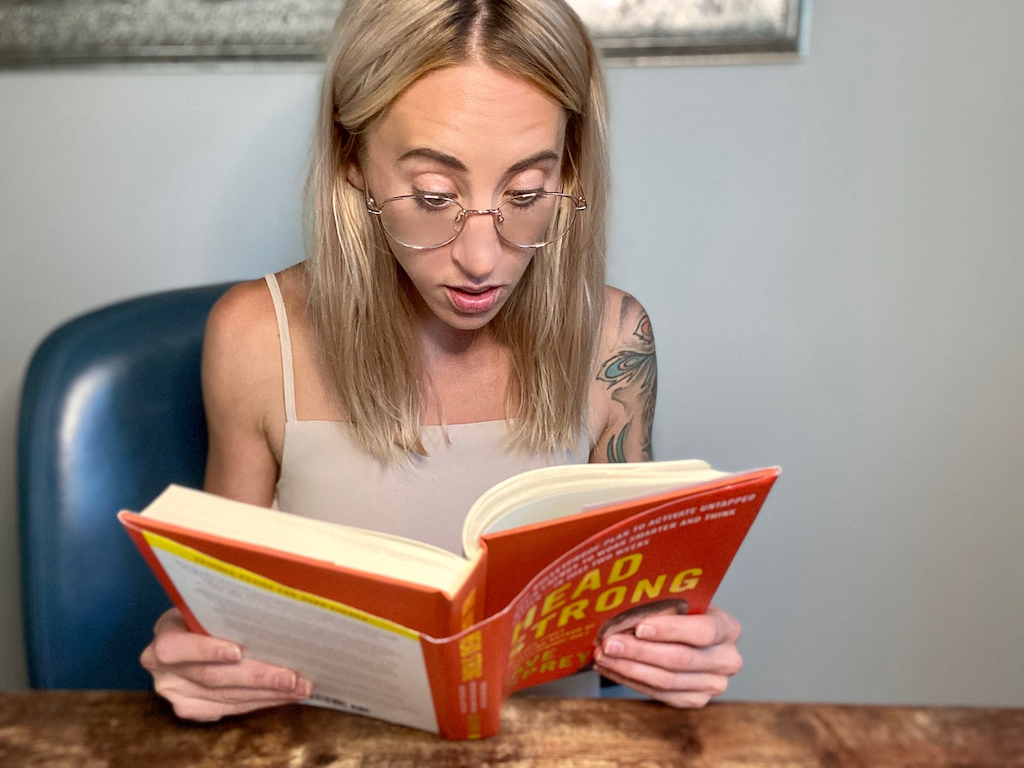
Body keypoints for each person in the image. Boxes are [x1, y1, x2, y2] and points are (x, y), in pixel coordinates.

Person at [140, 0, 742, 722]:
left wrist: (672, 656)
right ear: (353, 158)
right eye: (433, 195)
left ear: (569, 169)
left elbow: (639, 629)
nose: (483, 260)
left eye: (526, 193)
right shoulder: (255, 338)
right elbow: (224, 613)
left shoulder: (614, 341)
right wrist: (199, 657)